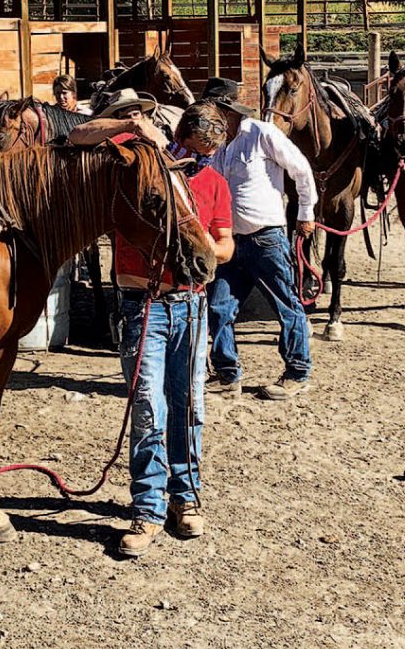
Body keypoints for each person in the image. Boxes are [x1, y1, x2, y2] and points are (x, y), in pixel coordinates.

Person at [70, 99, 233, 558]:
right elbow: (77, 137)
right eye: (192, 151)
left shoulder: (214, 183)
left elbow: (226, 244)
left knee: (189, 404)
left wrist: (198, 247)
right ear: (176, 138)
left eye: (205, 156)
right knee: (147, 406)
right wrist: (130, 123)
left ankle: (185, 497)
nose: (196, 162)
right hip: (145, 304)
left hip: (192, 304)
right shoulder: (141, 167)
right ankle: (148, 506)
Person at [192, 78, 317, 401]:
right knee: (219, 307)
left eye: (213, 111)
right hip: (229, 241)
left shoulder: (262, 134)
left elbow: (301, 169)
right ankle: (227, 373)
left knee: (286, 304)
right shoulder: (216, 145)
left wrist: (305, 212)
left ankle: (297, 371)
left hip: (266, 237)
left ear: (226, 110)